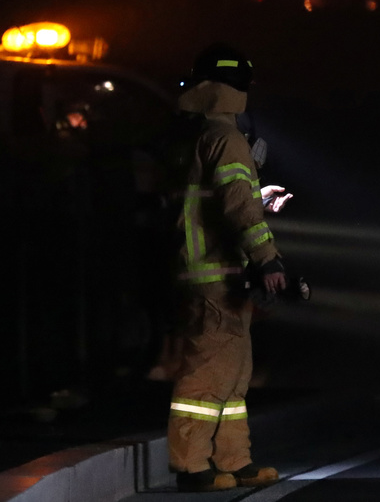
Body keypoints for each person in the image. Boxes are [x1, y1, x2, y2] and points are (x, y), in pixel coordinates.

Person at [167, 44, 290, 493]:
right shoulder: (226, 137)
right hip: (214, 275)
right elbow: (239, 205)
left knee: (233, 376)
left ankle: (234, 460)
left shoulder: (206, 134)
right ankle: (191, 466)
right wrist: (267, 258)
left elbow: (228, 201)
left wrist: (260, 198)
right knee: (207, 374)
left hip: (220, 275)